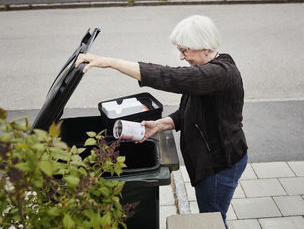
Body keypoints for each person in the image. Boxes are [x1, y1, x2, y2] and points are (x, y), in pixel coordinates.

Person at [74, 15, 248, 227]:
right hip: (210, 161)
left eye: (185, 50)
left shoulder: (219, 74)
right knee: (212, 217)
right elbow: (189, 112)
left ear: (205, 47)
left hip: (220, 164)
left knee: (213, 221)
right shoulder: (206, 72)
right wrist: (161, 124)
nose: (182, 57)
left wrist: (110, 63)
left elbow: (169, 76)